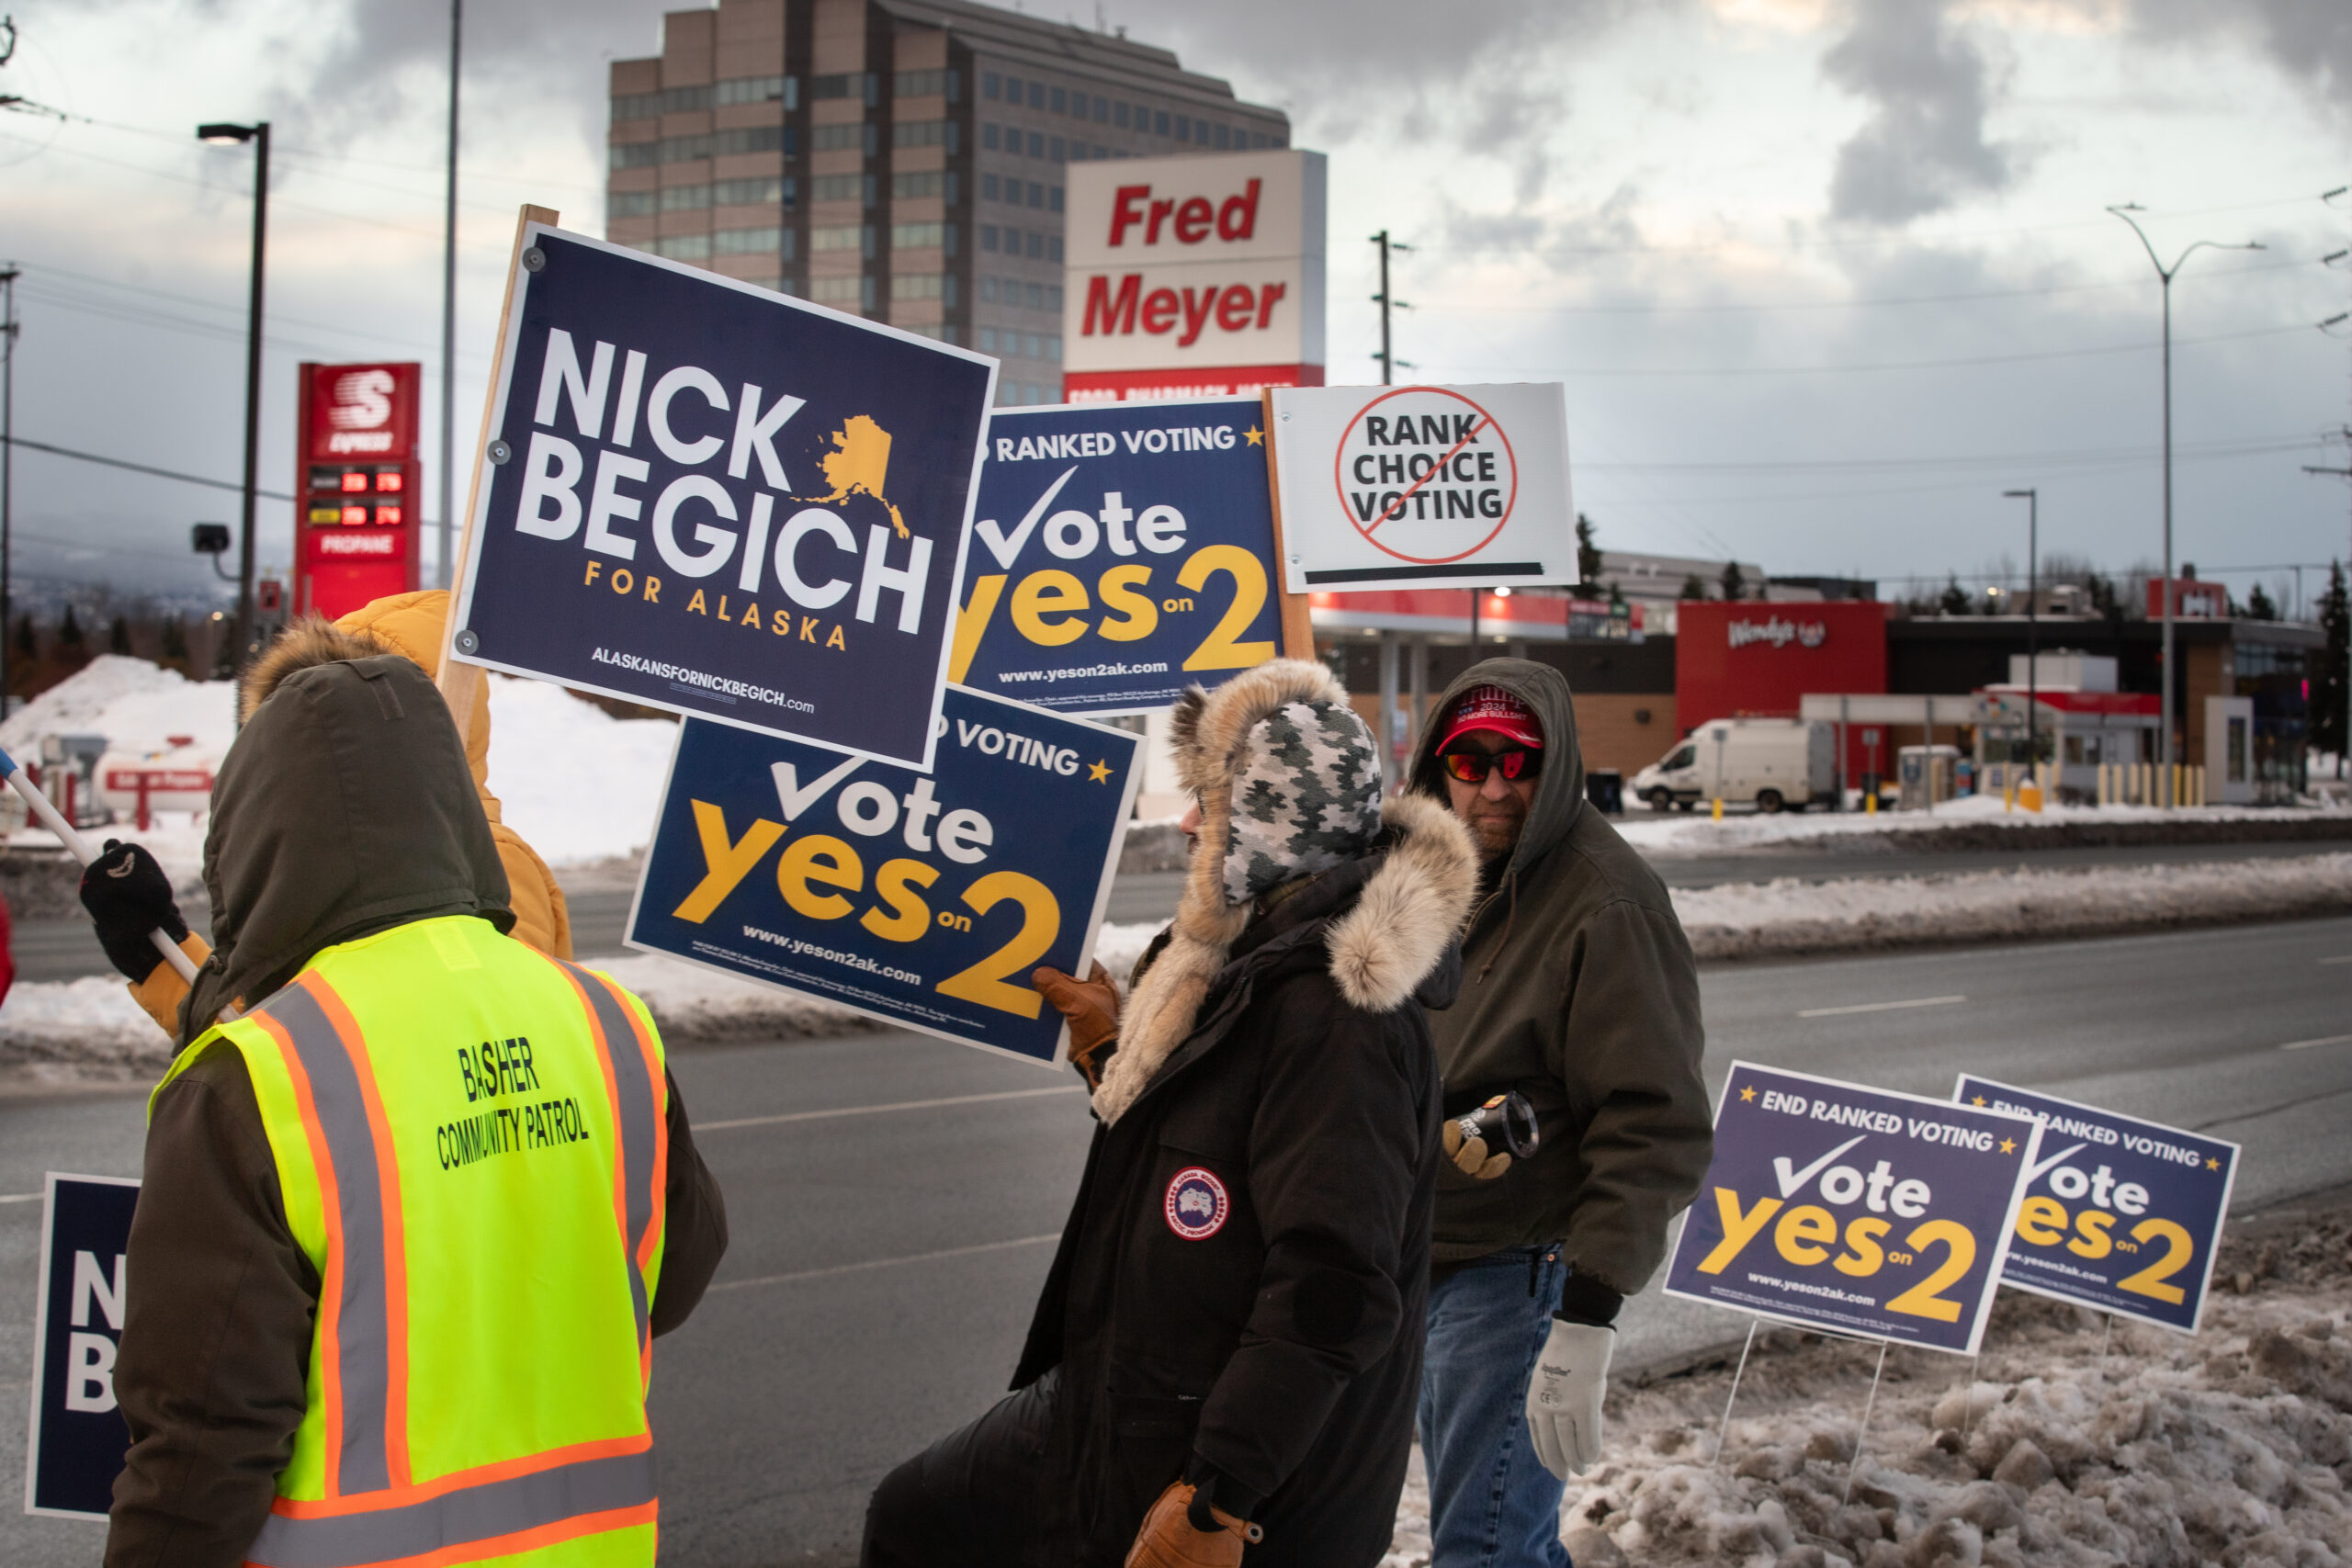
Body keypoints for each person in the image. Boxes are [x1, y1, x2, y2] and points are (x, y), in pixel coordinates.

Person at [89, 619, 728, 1568]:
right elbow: (671, 1279)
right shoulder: (606, 1022)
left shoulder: (252, 1078)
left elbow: (202, 1446)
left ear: (257, 822)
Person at [861, 659, 1479, 1568]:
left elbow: (1332, 1291)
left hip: (1228, 1470)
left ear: (1269, 825)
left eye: (1214, 803)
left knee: (921, 1522)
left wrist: (1216, 1499)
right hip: (1125, 1409)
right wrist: (1115, 1053)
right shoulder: (1248, 963)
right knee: (919, 1513)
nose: (1194, 824)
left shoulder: (1335, 1017)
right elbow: (1215, 1148)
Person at [1408, 662, 1711, 1568]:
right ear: (1439, 765)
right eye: (1471, 760)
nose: (1495, 785)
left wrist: (1585, 1317)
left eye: (1521, 760)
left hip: (1515, 1270)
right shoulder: (1422, 874)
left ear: (1560, 759)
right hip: (1414, 1253)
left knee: (1484, 1547)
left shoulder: (1606, 902)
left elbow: (1653, 1123)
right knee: (1488, 1537)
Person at [96, 589, 573, 1041]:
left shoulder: (493, 864)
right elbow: (283, 1035)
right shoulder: (339, 851)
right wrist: (162, 956)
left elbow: (460, 1062)